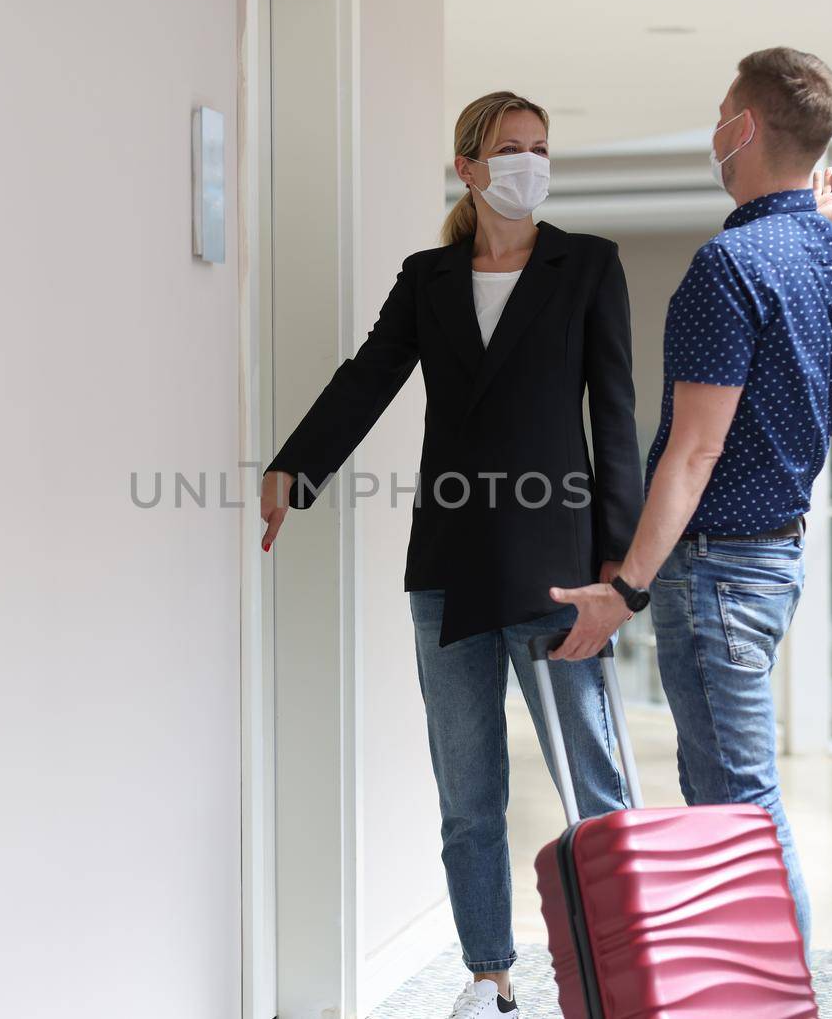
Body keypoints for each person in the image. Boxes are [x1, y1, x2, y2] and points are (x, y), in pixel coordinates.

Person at [260, 91, 642, 1019]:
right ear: (468, 167)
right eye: (509, 149)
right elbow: (368, 377)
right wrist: (294, 468)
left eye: (541, 149)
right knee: (469, 797)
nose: (529, 164)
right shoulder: (427, 277)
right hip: (449, 571)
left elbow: (617, 421)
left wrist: (618, 579)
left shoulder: (588, 266)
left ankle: (623, 978)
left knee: (594, 791)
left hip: (560, 577)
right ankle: (489, 978)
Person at [548, 46, 832, 957]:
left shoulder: (725, 268)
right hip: (773, 564)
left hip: (718, 573)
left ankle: (777, 996)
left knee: (738, 801)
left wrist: (629, 588)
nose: (715, 126)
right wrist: (817, 214)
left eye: (724, 109)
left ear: (748, 126)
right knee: (733, 793)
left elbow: (694, 450)